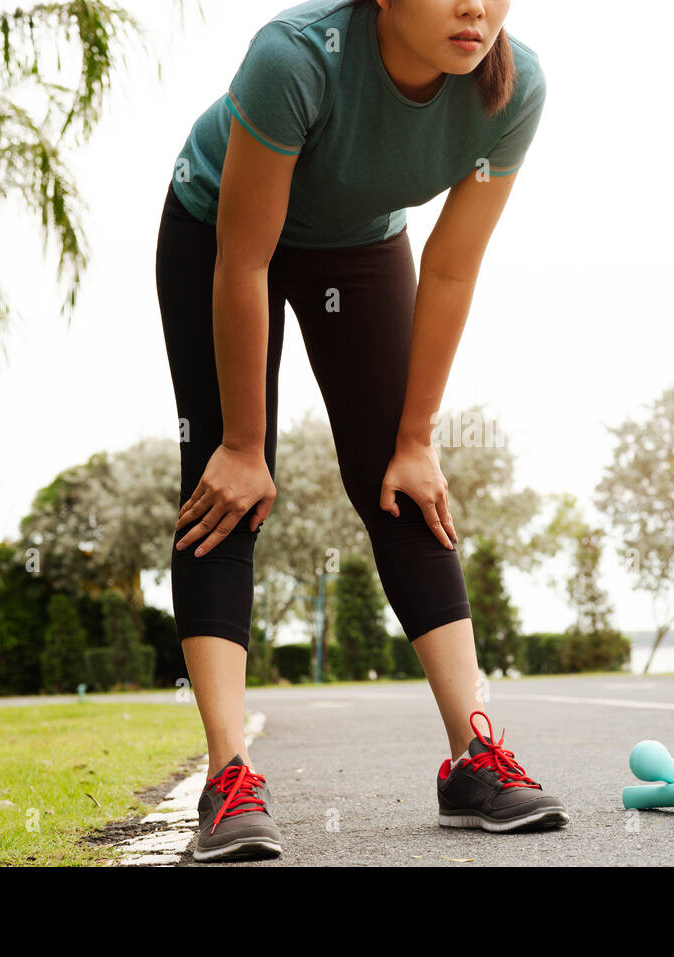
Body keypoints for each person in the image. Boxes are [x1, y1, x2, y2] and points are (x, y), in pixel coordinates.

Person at [154, 0, 567, 862]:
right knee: (226, 483)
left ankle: (474, 754)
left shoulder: (514, 85)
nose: (476, 7)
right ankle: (228, 775)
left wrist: (416, 438)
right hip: (220, 234)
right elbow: (247, 259)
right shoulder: (295, 59)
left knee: (401, 478)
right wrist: (241, 442)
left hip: (361, 245)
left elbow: (451, 267)